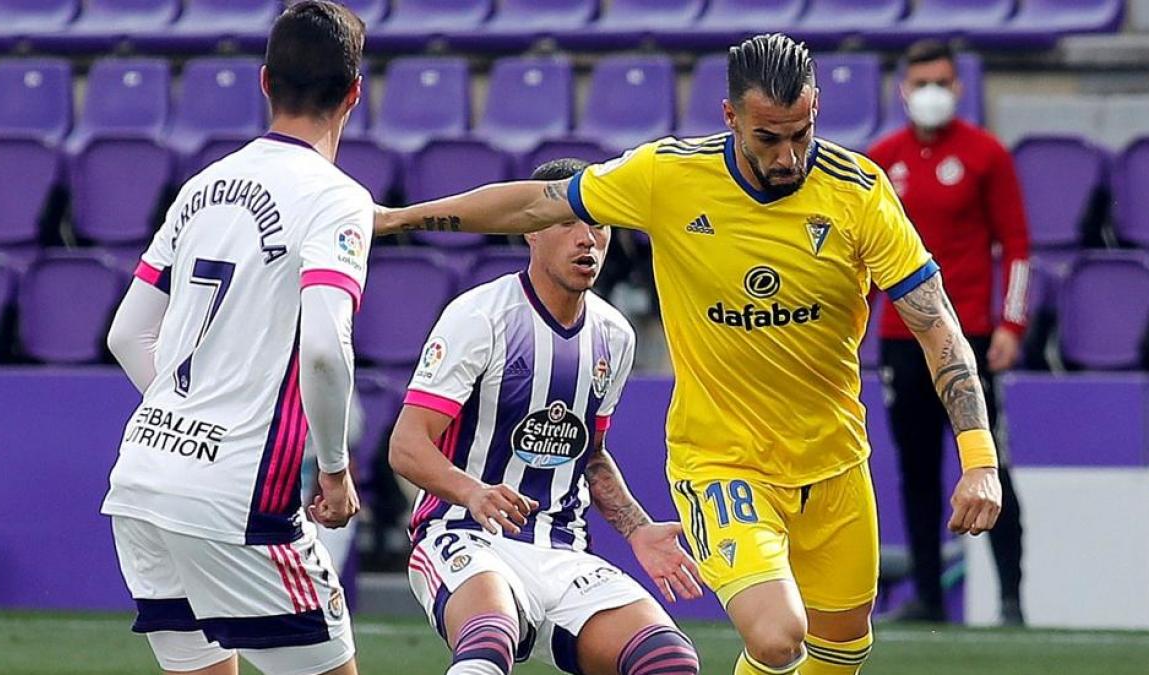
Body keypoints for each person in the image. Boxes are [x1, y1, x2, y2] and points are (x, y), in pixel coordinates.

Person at [375, 33, 1003, 675]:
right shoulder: (667, 176)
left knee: (842, 651)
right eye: (768, 138)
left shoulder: (859, 192)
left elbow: (939, 327)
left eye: (802, 133)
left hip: (835, 462)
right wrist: (397, 221)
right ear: (731, 117)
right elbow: (535, 202)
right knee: (778, 635)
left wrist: (979, 459)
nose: (789, 157)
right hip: (721, 462)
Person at [101, 3, 371, 673]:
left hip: (144, 477)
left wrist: (190, 407)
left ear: (263, 82)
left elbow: (126, 333)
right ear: (354, 94)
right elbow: (323, 347)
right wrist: (333, 467)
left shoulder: (202, 185)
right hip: (238, 497)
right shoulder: (339, 198)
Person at [389, 158, 702, 675]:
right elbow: (406, 445)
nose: (586, 239)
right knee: (489, 643)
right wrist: (473, 491)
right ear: (530, 230)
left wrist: (638, 529)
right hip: (463, 536)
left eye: (596, 223)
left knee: (670, 661)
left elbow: (591, 458)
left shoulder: (613, 335)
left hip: (560, 551)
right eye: (566, 222)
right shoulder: (481, 315)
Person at [868, 39, 1028, 626]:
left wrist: (1011, 322)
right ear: (903, 90)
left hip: (972, 337)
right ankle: (930, 599)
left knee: (989, 463)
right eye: (921, 82)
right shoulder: (881, 159)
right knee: (915, 467)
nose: (930, 92)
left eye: (941, 81)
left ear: (958, 87)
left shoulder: (987, 155)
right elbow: (860, 260)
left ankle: (1011, 599)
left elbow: (1016, 244)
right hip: (899, 338)